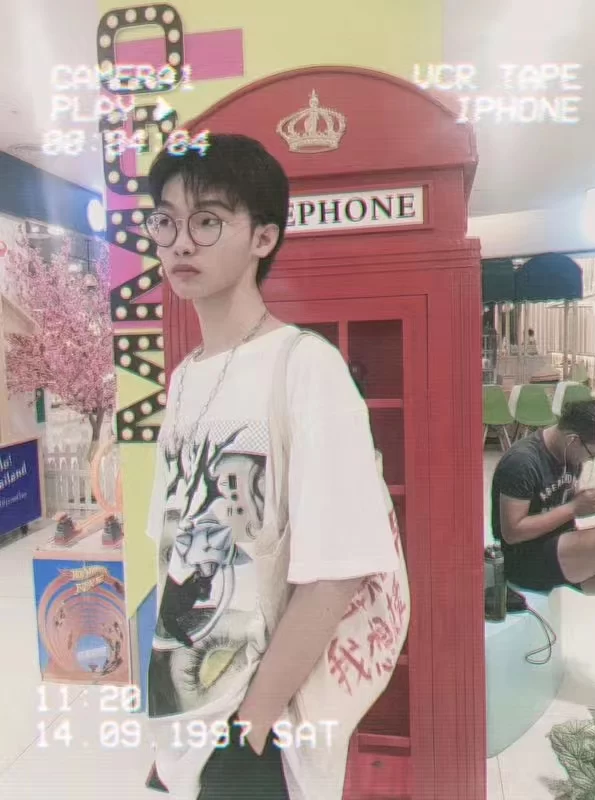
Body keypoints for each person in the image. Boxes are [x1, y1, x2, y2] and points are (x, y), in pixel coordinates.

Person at [143, 133, 407, 800]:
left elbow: (338, 571)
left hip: (259, 728)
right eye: (165, 222)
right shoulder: (184, 378)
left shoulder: (305, 367)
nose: (180, 243)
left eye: (207, 221)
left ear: (263, 237)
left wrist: (252, 724)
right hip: (184, 711)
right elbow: (174, 548)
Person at [491, 399, 595, 593]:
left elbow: (560, 497)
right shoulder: (522, 462)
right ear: (573, 439)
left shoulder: (568, 452)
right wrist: (574, 508)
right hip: (524, 560)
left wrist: (589, 503)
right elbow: (512, 533)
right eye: (591, 454)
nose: (590, 460)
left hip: (560, 546)